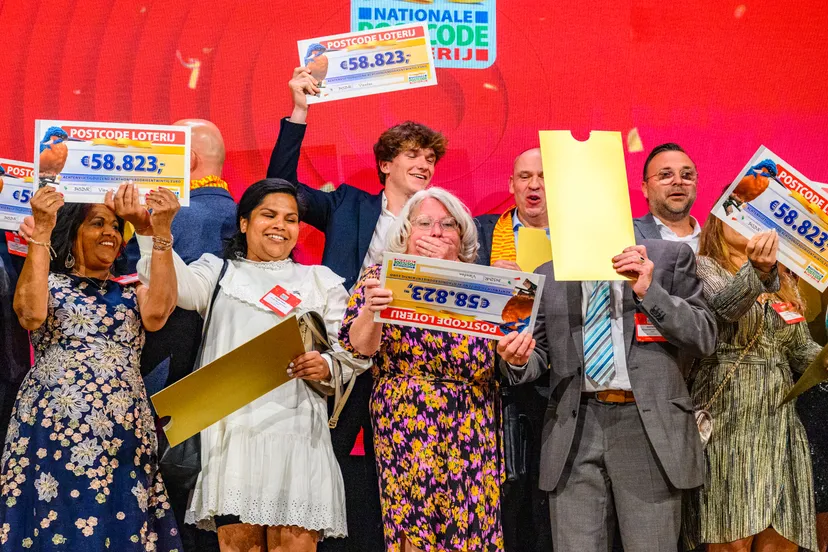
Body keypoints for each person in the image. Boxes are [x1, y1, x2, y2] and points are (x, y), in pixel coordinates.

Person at [268, 67, 448, 552]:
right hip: (346, 360)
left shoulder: (442, 226)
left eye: (431, 158)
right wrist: (300, 111)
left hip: (411, 369)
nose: (425, 165)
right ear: (385, 164)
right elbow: (278, 188)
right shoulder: (347, 204)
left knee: (405, 479)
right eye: (413, 155)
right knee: (322, 463)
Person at [136, 178, 369, 552]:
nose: (280, 225)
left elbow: (350, 349)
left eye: (291, 219)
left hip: (298, 435)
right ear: (244, 222)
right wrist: (155, 232)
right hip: (232, 437)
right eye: (269, 215)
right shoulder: (218, 272)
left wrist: (325, 364)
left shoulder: (319, 281)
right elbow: (170, 287)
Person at [499, 238, 716, 551]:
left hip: (647, 428)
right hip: (574, 427)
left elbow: (704, 337)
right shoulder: (544, 274)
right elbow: (535, 354)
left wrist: (649, 291)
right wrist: (517, 360)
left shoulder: (667, 257)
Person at [0, 183, 182, 551]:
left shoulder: (132, 291)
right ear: (74, 233)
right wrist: (42, 228)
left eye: (116, 226)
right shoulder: (49, 284)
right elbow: (30, 314)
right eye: (98, 223)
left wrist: (157, 230)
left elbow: (159, 312)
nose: (110, 233)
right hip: (53, 432)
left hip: (123, 434)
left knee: (120, 524)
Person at [340, 187, 504, 552]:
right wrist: (372, 311)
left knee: (473, 526)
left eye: (448, 225)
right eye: (425, 223)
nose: (436, 232)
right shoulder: (379, 277)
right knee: (413, 527)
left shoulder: (485, 285)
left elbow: (512, 353)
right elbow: (357, 348)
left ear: (462, 236)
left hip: (472, 418)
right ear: (405, 233)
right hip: (406, 417)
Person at [683, 220, 820, 552]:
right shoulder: (702, 268)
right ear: (717, 222)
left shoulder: (784, 280)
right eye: (741, 217)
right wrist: (758, 271)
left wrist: (824, 359)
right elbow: (724, 309)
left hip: (781, 425)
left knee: (782, 540)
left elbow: (800, 349)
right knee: (732, 539)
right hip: (730, 420)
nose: (751, 226)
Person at [474, 147, 552, 551]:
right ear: (511, 185)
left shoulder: (579, 239)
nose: (534, 184)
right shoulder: (484, 233)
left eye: (542, 175)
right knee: (507, 505)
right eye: (524, 176)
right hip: (499, 385)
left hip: (559, 385)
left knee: (548, 508)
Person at [633, 143, 701, 252]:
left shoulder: (717, 243)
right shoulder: (626, 233)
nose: (678, 181)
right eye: (665, 175)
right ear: (645, 188)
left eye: (686, 175)